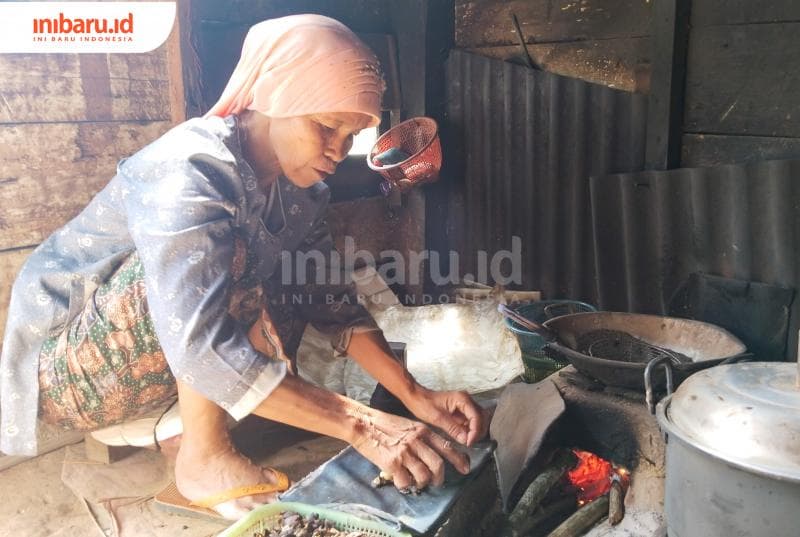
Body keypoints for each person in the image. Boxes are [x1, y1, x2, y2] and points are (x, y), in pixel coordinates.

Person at [0, 14, 487, 519]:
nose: (338, 150)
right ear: (273, 98)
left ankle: (190, 429)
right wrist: (362, 426)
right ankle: (203, 457)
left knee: (294, 273)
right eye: (326, 126)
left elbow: (331, 302)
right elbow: (197, 341)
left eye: (354, 133)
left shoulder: (302, 193)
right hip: (68, 369)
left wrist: (415, 394)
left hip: (157, 355)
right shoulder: (191, 169)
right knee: (232, 254)